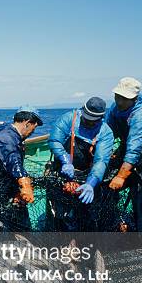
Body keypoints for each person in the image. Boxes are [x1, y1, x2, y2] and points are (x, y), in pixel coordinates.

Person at [47, 97, 115, 231]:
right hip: (63, 168)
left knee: (87, 212)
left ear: (101, 118)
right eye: (86, 119)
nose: (88, 123)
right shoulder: (69, 118)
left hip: (87, 173)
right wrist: (65, 161)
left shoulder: (106, 133)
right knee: (61, 210)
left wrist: (91, 183)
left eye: (92, 121)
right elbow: (55, 140)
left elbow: (101, 161)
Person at [104, 77, 142, 232]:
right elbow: (108, 132)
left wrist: (121, 176)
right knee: (105, 183)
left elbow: (134, 149)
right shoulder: (115, 108)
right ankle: (114, 222)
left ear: (134, 99)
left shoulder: (139, 116)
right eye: (118, 97)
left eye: (124, 99)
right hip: (125, 146)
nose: (120, 102)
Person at [0, 106, 43, 231]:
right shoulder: (6, 136)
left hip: (8, 188)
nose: (32, 133)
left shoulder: (15, 136)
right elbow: (13, 160)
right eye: (33, 129)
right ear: (27, 123)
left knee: (21, 228)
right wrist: (24, 183)